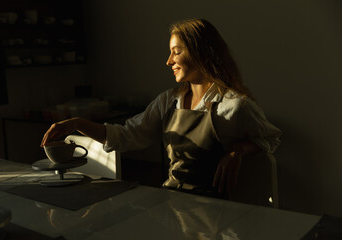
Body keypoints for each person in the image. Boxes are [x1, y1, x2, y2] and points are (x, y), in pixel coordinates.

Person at [41, 18, 281, 201]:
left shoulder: (234, 106)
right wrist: (76, 123)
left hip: (216, 210)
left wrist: (238, 151)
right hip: (172, 202)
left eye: (176, 52)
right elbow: (126, 135)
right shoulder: (169, 101)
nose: (169, 61)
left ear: (201, 53)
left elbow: (270, 138)